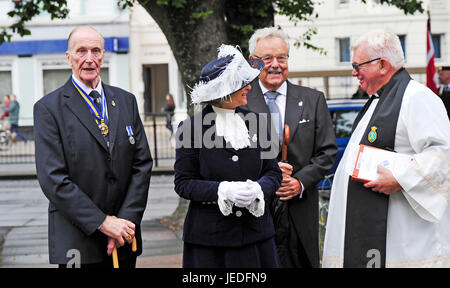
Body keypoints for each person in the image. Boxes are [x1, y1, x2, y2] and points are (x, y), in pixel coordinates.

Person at [323, 30, 450, 268]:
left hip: (403, 237)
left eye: (357, 65)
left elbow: (442, 154)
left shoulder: (417, 97)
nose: (353, 72)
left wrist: (401, 179)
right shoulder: (378, 101)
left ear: (382, 64)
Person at [34, 26, 153, 268]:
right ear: (69, 58)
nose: (89, 58)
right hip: (78, 244)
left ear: (103, 55)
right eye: (81, 51)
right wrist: (102, 222)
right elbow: (53, 179)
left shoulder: (126, 101)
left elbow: (142, 164)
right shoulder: (48, 109)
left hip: (123, 239)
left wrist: (124, 222)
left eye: (95, 50)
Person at [174, 44, 282, 268]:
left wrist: (260, 188)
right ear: (224, 90)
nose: (249, 88)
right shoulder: (191, 128)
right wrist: (222, 190)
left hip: (256, 238)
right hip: (210, 244)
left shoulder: (258, 122)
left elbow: (273, 172)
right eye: (241, 84)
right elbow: (183, 183)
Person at [245, 27, 337, 268]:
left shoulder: (313, 99)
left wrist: (299, 182)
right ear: (253, 62)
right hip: (256, 213)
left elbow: (327, 153)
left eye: (282, 58)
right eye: (267, 59)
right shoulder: (241, 102)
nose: (276, 65)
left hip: (300, 210)